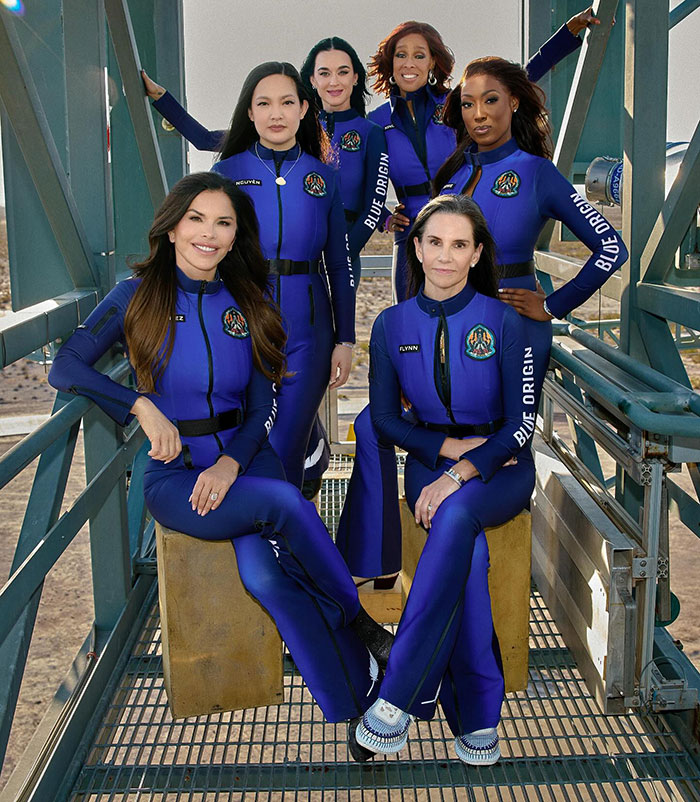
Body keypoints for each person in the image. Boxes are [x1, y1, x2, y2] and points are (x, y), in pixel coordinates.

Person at [48, 172, 390, 727]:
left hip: (247, 458)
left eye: (223, 222)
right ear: (173, 226)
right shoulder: (134, 297)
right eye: (197, 219)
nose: (209, 233)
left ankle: (355, 708)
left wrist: (232, 464)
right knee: (284, 505)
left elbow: (261, 411)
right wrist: (139, 405)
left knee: (268, 579)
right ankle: (363, 626)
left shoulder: (249, 302)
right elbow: (66, 366)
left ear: (236, 236)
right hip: (176, 473)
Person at [335, 53, 628, 584]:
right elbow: (433, 244)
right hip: (439, 326)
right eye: (467, 104)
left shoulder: (537, 173)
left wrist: (553, 305)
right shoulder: (459, 170)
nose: (478, 114)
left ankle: (446, 538)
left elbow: (610, 246)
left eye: (490, 101)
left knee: (496, 439)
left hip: (512, 323)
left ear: (513, 103)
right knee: (374, 425)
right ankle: (371, 566)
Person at [351, 194, 535, 764]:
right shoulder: (390, 324)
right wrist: (449, 453)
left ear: (478, 254)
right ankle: (478, 714)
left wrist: (463, 470)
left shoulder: (506, 322)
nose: (446, 257)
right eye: (435, 243)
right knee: (469, 556)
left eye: (460, 245)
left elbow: (524, 422)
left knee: (456, 516)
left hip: (501, 464)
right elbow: (382, 420)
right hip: (432, 457)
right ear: (417, 247)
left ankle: (398, 695)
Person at [144, 63, 355, 492]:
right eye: (264, 103)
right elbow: (193, 242)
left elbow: (340, 264)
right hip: (239, 323)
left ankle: (286, 541)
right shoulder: (225, 173)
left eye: (286, 102)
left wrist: (346, 339)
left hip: (309, 331)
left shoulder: (325, 178)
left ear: (303, 110)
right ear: (250, 113)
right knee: (251, 439)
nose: (276, 113)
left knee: (283, 446)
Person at [369, 9, 599, 302]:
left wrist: (567, 34)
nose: (409, 63)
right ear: (390, 63)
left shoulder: (458, 103)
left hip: (463, 235)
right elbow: (351, 181)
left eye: (419, 55)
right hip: (412, 238)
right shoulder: (376, 121)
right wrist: (385, 218)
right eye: (401, 55)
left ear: (433, 62)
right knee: (410, 330)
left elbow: (515, 78)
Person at [300, 36, 388, 286]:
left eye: (343, 72)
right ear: (312, 80)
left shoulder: (371, 133)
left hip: (344, 257)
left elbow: (374, 205)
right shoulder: (295, 129)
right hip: (297, 259)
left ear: (356, 77)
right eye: (324, 73)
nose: (334, 81)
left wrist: (342, 255)